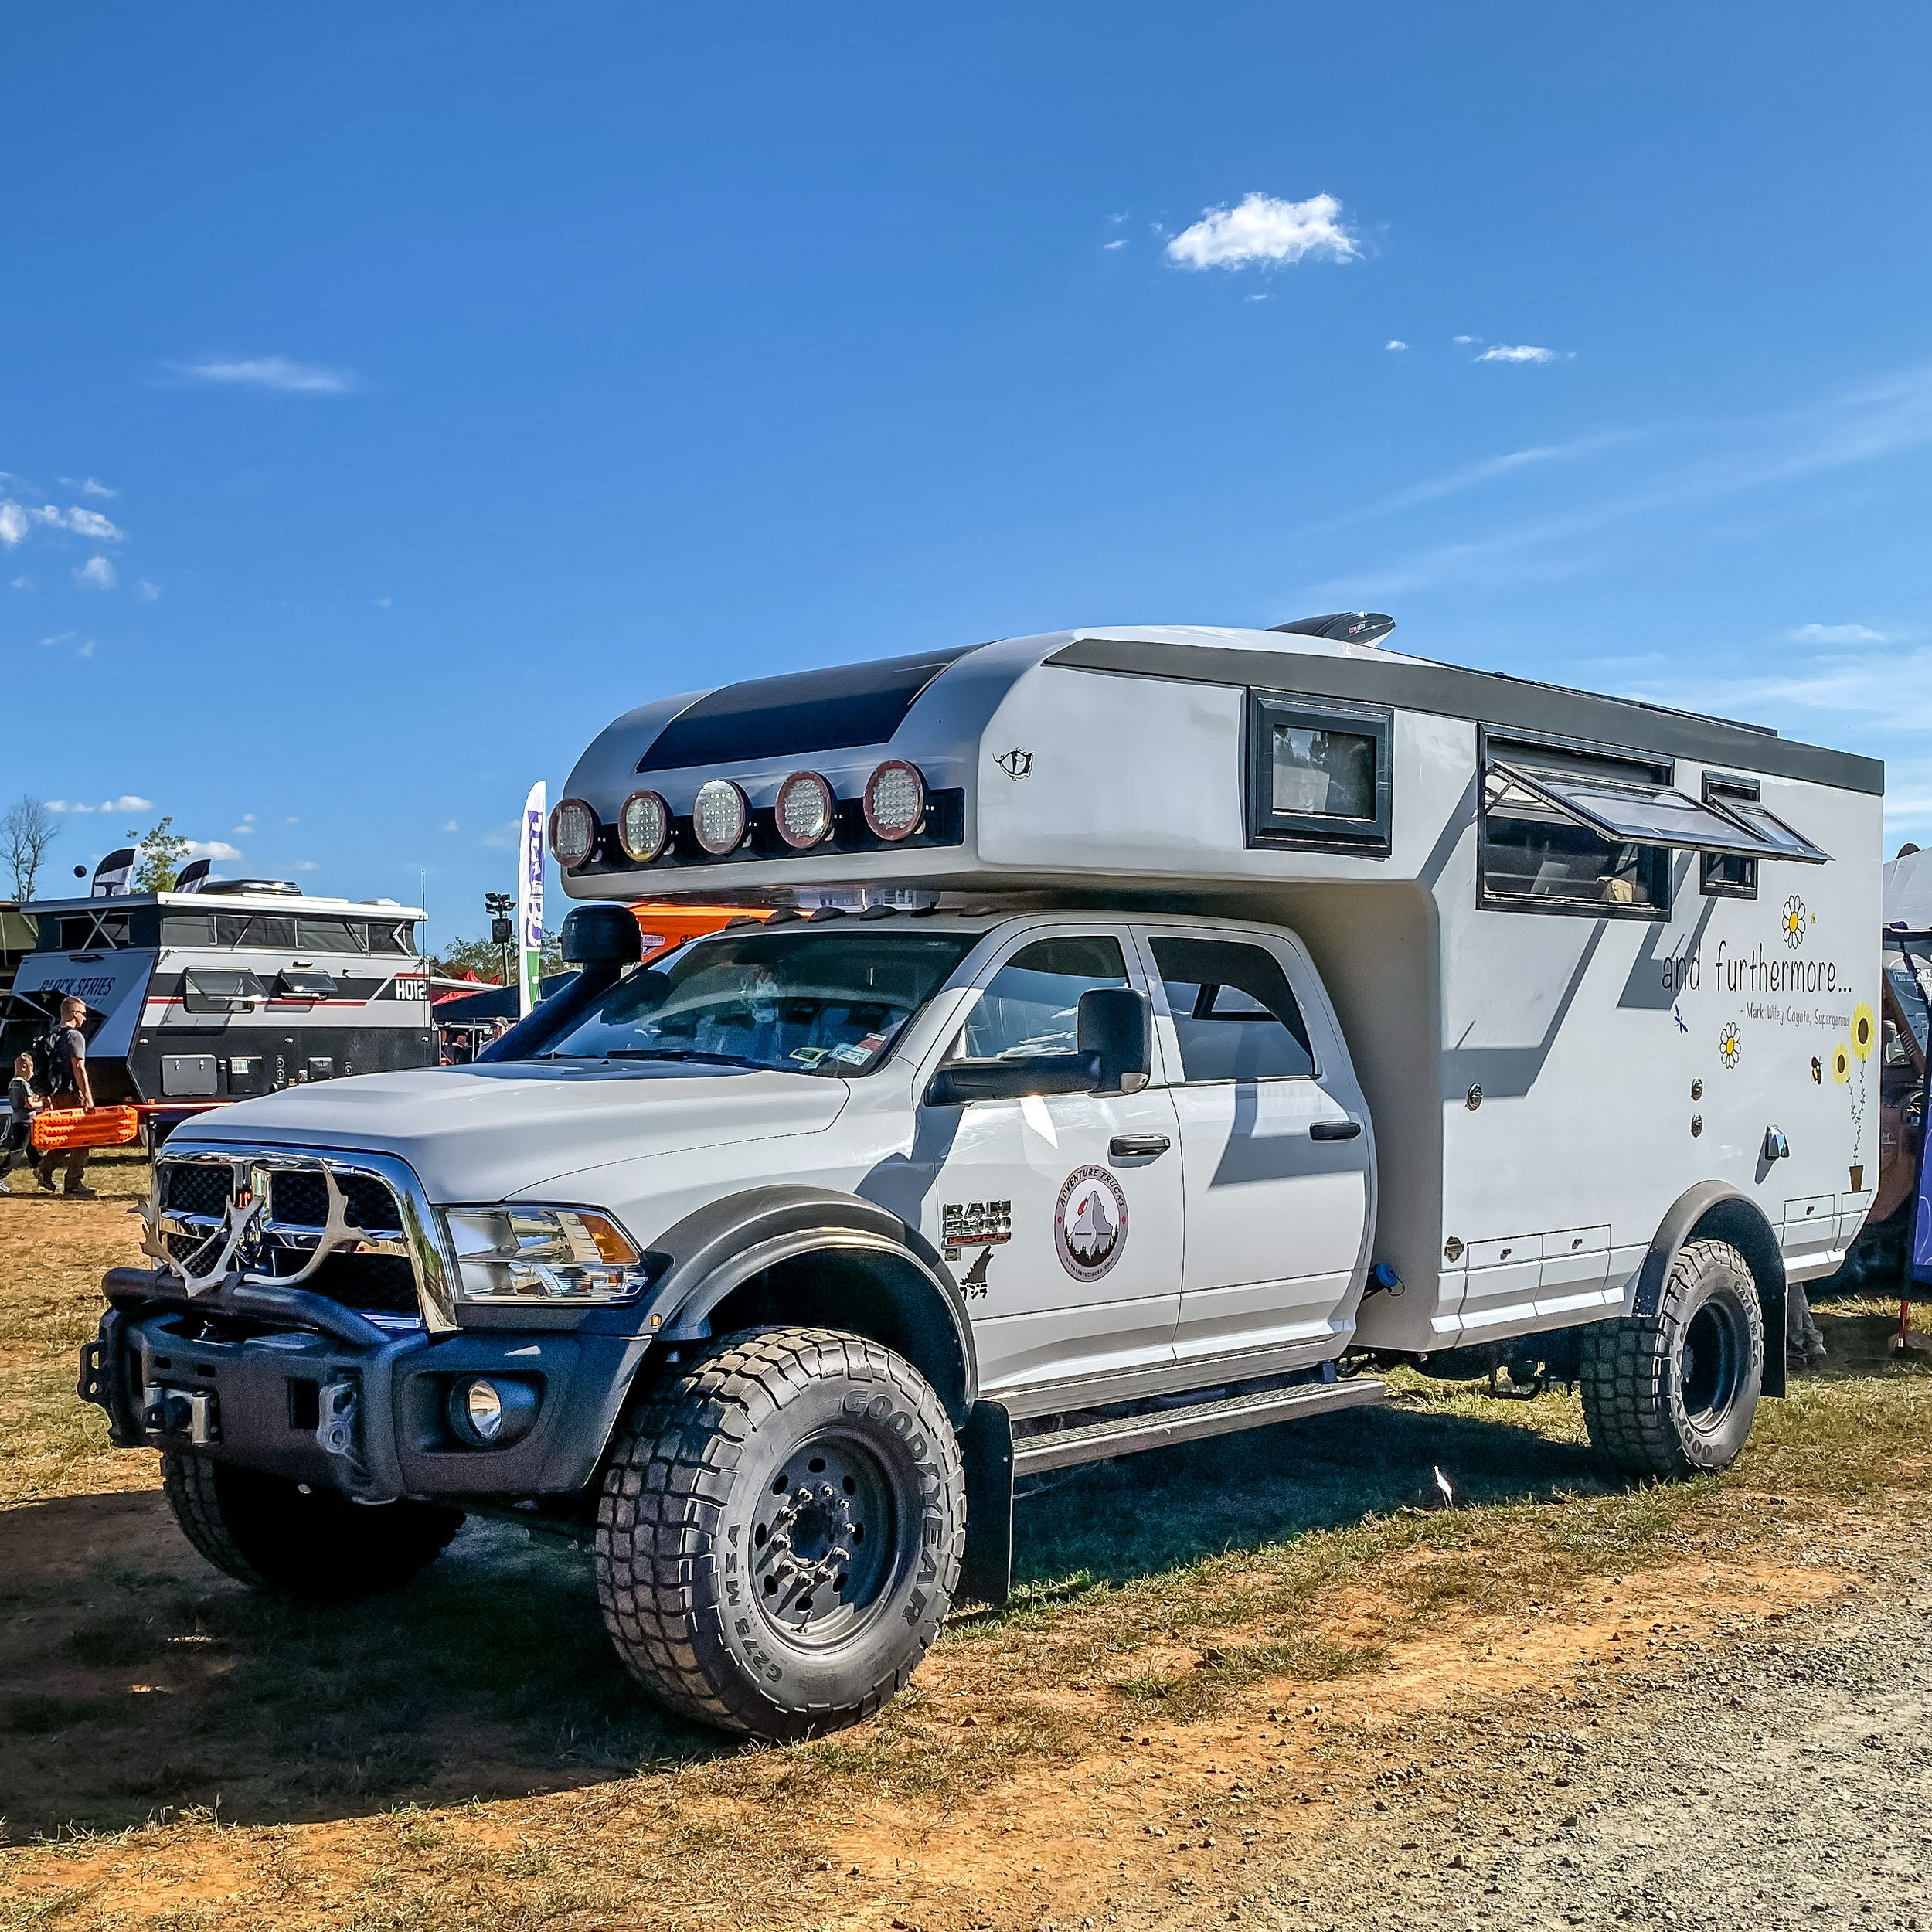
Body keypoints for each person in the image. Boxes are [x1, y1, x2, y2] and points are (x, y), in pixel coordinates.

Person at [33, 995, 97, 1199]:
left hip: (57, 1094)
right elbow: (79, 1067)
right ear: (74, 1013)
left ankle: (44, 1168)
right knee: (82, 1139)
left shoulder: (51, 1033)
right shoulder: (75, 1036)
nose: (85, 1020)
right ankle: (73, 1183)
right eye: (83, 1015)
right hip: (72, 1093)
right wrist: (87, 1096)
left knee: (68, 1137)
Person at [0, 1052, 43, 1193]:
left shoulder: (12, 1083)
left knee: (33, 1151)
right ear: (24, 1067)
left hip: (18, 1120)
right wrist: (43, 1103)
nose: (33, 1073)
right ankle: (1, 1177)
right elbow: (29, 1104)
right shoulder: (22, 1083)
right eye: (31, 1068)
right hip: (26, 1121)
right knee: (17, 1151)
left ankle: (43, 1175)